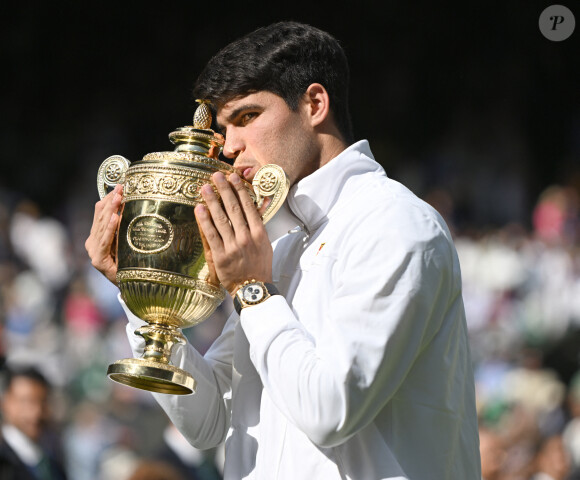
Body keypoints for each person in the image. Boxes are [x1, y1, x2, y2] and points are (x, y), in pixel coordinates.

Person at [86, 21, 481, 479]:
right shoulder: (282, 242)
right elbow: (208, 421)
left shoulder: (394, 222)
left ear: (315, 104)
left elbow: (331, 410)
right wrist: (142, 291)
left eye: (247, 117)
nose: (229, 146)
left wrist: (252, 288)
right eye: (223, 125)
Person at [0, 365, 68, 480]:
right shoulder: (4, 464)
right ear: (5, 402)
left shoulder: (51, 461)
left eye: (42, 402)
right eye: (26, 402)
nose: (36, 412)